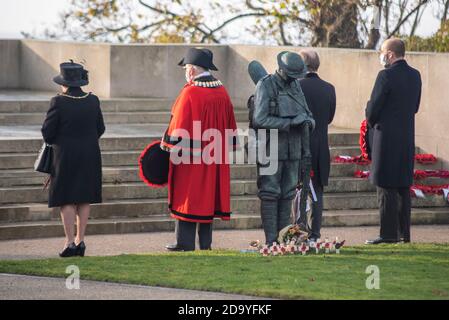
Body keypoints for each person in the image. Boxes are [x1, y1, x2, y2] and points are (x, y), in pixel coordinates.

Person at [162, 48, 239, 251]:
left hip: (191, 157)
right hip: (215, 155)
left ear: (192, 70)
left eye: (186, 68)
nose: (186, 72)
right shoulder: (222, 92)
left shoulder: (191, 92)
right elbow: (231, 127)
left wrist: (168, 146)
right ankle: (205, 244)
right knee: (208, 198)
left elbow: (178, 126)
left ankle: (184, 243)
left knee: (187, 196)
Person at [41, 60, 105, 257]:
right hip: (89, 154)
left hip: (65, 156)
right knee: (84, 197)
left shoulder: (58, 101)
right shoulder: (93, 100)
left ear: (64, 83)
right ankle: (81, 240)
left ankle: (69, 243)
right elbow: (100, 128)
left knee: (67, 198)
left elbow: (47, 132)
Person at [253, 51, 315, 245]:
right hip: (271, 148)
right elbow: (260, 119)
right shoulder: (266, 84)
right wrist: (290, 122)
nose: (296, 78)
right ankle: (271, 240)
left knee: (288, 193)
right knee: (270, 193)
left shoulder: (295, 85)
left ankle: (283, 238)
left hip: (294, 149)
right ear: (282, 69)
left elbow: (307, 113)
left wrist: (309, 122)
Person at [365, 38, 421, 245]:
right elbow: (415, 106)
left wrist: (368, 114)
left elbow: (373, 109)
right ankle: (404, 233)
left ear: (390, 54)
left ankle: (388, 234)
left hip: (386, 137)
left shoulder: (385, 75)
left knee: (385, 186)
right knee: (403, 187)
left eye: (382, 52)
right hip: (406, 137)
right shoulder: (415, 75)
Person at [299, 49, 336, 242]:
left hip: (300, 145)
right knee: (317, 192)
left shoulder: (296, 86)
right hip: (321, 146)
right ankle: (315, 233)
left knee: (298, 190)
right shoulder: (329, 88)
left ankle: (298, 231)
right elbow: (329, 118)